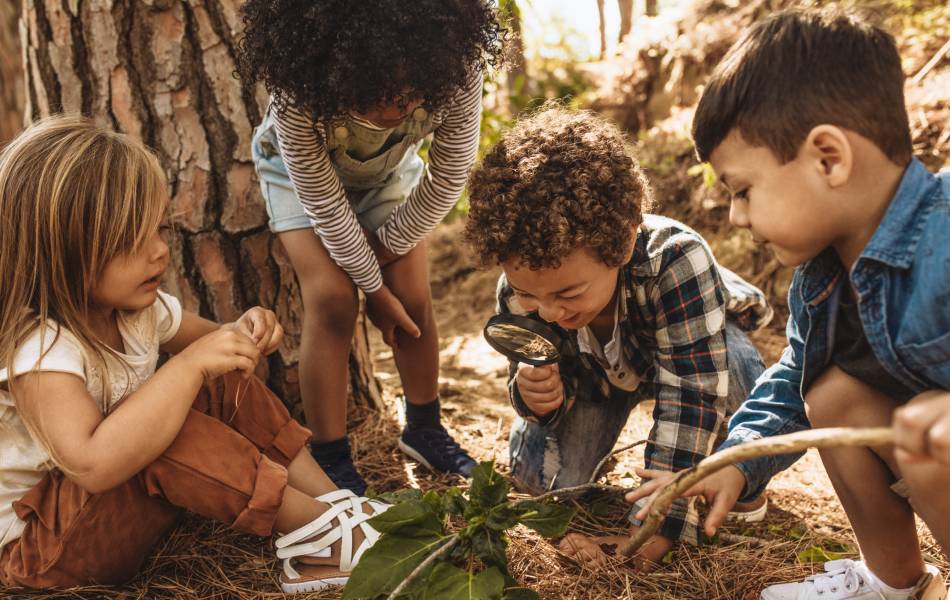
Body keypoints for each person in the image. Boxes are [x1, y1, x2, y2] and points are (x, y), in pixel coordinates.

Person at [634, 8, 950, 600]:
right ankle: (893, 583)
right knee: (830, 391)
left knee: (929, 426)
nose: (736, 216)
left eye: (743, 190)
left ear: (828, 157)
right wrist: (733, 460)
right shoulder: (820, 280)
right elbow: (790, 383)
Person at [0, 115, 387, 594]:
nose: (160, 252)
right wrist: (187, 366)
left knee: (216, 379)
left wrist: (244, 331)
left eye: (161, 229)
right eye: (130, 240)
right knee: (167, 423)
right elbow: (92, 465)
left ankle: (334, 504)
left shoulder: (137, 311)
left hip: (108, 516)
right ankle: (323, 539)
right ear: (58, 251)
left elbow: (219, 350)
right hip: (44, 553)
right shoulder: (41, 350)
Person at [463, 105, 774, 569]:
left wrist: (658, 523)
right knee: (540, 480)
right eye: (531, 294)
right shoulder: (521, 289)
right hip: (595, 381)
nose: (549, 311)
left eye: (568, 292)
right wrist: (536, 399)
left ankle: (739, 477)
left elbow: (691, 394)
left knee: (740, 370)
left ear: (623, 243)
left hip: (689, 352)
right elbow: (525, 373)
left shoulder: (676, 260)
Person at [235, 0, 504, 494]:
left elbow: (447, 179)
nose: (393, 112)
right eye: (371, 98)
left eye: (406, 96)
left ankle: (425, 429)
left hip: (388, 177)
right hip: (299, 180)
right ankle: (331, 455)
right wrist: (372, 294)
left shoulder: (457, 65)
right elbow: (325, 205)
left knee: (414, 296)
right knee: (333, 299)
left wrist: (383, 268)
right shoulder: (297, 91)